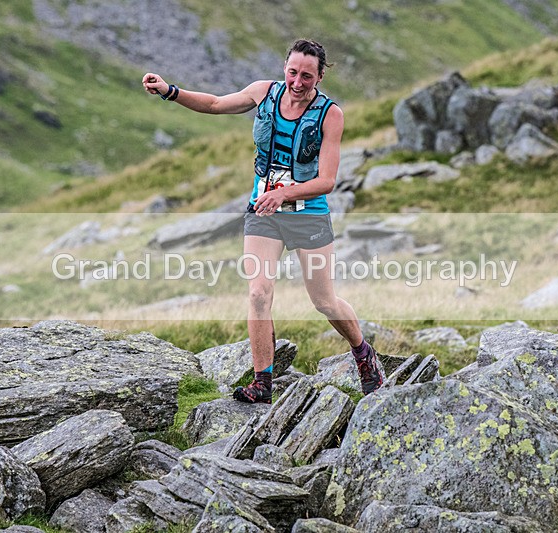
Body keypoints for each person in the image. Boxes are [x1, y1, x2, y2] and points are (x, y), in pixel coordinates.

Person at [142, 39, 382, 404]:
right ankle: (262, 383)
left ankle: (363, 354)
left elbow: (327, 180)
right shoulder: (263, 93)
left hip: (308, 216)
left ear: (319, 77)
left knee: (324, 302)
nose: (297, 82)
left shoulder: (331, 114)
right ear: (284, 67)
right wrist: (169, 91)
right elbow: (214, 104)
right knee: (258, 293)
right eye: (292, 72)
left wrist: (284, 194)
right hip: (264, 214)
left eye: (306, 76)